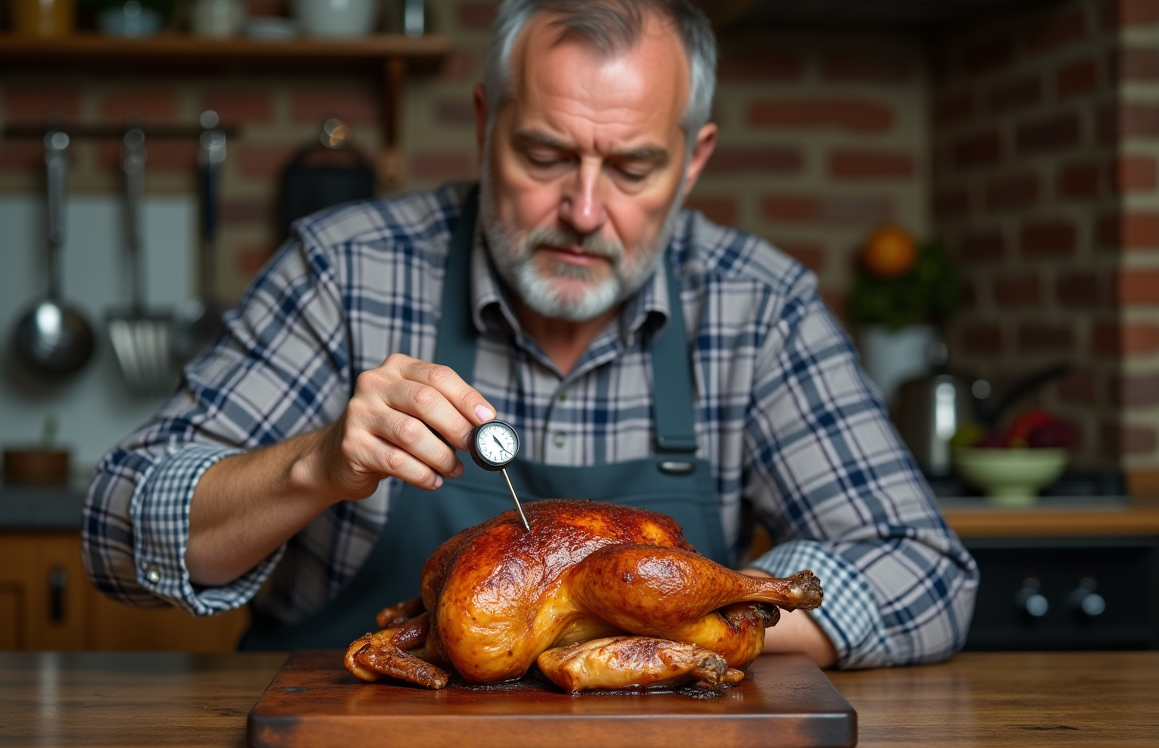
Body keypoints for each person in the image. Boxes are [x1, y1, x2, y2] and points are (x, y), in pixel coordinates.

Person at [82, 0, 978, 669]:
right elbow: (117, 530)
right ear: (484, 126)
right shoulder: (346, 270)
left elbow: (926, 570)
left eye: (632, 167)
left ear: (694, 159)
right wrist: (311, 467)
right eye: (545, 156)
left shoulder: (755, 302)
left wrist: (667, 637)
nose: (585, 212)